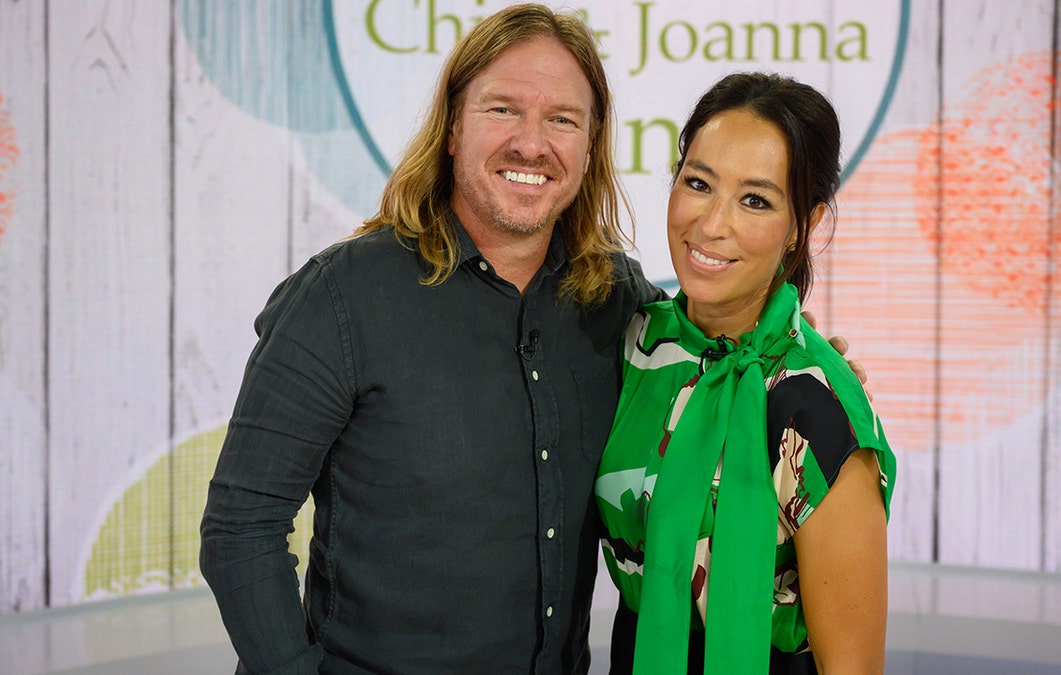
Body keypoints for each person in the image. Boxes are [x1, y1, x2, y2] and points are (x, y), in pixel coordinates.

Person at [200, 4, 865, 673]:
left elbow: (719, 356)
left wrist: (815, 373)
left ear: (589, 145)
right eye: (503, 110)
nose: (531, 142)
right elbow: (240, 530)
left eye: (562, 120)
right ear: (454, 127)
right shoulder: (341, 299)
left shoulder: (618, 301)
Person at [594, 72, 897, 674]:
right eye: (699, 183)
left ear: (803, 225)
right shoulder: (632, 347)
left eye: (755, 200)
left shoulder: (818, 406)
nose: (711, 225)